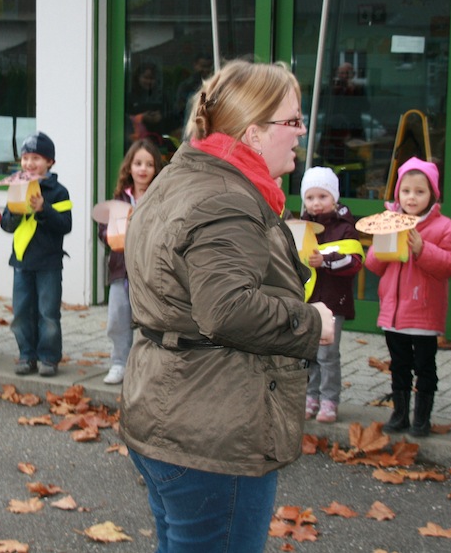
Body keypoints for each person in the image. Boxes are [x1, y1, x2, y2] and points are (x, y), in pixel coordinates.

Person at [120, 59, 334, 552]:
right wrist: (310, 322)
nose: (301, 132)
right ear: (254, 134)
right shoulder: (227, 198)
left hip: (168, 408)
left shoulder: (184, 175)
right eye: (292, 121)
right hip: (212, 430)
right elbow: (227, 308)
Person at [365, 157, 451, 437]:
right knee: (399, 365)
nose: (412, 197)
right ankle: (399, 414)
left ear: (432, 194)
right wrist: (381, 239)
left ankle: (422, 418)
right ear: (397, 193)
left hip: (423, 312)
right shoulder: (389, 219)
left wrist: (422, 248)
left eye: (420, 191)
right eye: (406, 191)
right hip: (393, 314)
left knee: (424, 366)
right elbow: (374, 265)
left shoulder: (444, 227)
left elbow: (450, 265)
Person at [0, 132, 72, 377]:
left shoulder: (58, 191)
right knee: (21, 312)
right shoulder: (16, 185)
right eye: (26, 158)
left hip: (49, 263)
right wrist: (17, 212)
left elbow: (65, 225)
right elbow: (6, 225)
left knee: (48, 313)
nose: (29, 163)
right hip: (21, 261)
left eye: (36, 158)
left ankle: (49, 358)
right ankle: (26, 355)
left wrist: (43, 209)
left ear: (50, 162)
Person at [299, 166, 364, 423]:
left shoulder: (345, 227)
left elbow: (354, 262)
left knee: (327, 353)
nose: (316, 203)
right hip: (308, 301)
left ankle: (329, 400)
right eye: (310, 197)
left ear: (334, 198)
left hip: (333, 301)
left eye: (322, 197)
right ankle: (309, 396)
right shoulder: (301, 226)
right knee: (308, 352)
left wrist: (324, 261)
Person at [98, 138, 162, 385]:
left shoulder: (161, 198)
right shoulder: (119, 199)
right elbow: (103, 231)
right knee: (117, 318)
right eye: (138, 163)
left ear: (156, 169)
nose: (143, 169)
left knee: (151, 321)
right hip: (120, 270)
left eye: (149, 164)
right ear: (129, 167)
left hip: (150, 271)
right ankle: (119, 362)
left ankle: (147, 367)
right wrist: (109, 235)